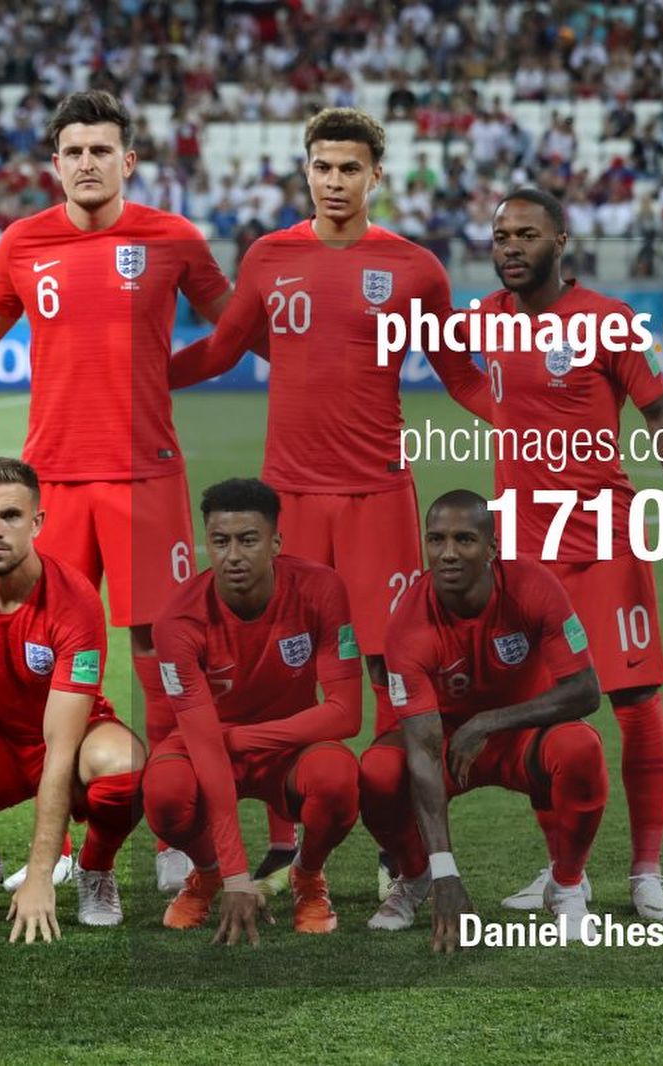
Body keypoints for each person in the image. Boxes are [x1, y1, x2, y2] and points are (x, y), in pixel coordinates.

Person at [0, 90, 235, 894]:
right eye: (72, 151)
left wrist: (163, 374)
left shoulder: (173, 237)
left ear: (129, 160)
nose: (87, 162)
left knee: (160, 657)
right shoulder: (25, 240)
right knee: (54, 661)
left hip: (148, 478)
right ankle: (77, 845)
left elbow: (233, 330)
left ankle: (170, 836)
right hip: (52, 481)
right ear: (55, 164)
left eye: (100, 149)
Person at [166, 107, 493, 893]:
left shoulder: (415, 268)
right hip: (292, 498)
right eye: (323, 166)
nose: (335, 180)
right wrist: (147, 375)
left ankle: (396, 840)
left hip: (379, 494)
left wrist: (542, 414)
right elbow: (220, 347)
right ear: (305, 171)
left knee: (390, 665)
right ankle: (285, 835)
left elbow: (461, 374)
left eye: (351, 168)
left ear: (376, 175)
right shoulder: (270, 256)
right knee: (282, 664)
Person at [480, 186, 663, 921]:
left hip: (604, 543)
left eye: (527, 234)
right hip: (522, 556)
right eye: (501, 234)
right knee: (544, 718)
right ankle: (561, 871)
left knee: (636, 703)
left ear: (562, 242)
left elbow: (661, 414)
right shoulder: (484, 321)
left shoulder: (608, 322)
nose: (511, 246)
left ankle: (646, 873)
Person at [0, 458, 146, 941]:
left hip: (70, 741)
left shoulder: (74, 600)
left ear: (37, 522)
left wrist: (39, 876)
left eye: (11, 516)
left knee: (125, 765)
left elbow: (59, 747)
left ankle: (94, 868)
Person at [362, 492, 607, 952]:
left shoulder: (535, 586)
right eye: (436, 539)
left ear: (493, 548)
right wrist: (444, 872)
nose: (448, 552)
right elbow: (422, 747)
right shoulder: (407, 623)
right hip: (448, 745)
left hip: (523, 738)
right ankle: (414, 878)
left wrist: (489, 722)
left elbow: (585, 690)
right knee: (378, 771)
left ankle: (568, 886)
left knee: (582, 748)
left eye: (464, 539)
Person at [143, 479, 364, 944]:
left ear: (276, 542)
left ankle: (308, 876)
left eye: (248, 540)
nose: (233, 556)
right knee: (163, 791)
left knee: (338, 779)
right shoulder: (177, 622)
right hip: (209, 746)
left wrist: (240, 738)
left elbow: (346, 714)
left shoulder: (322, 589)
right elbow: (205, 749)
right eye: (220, 542)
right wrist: (236, 876)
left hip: (287, 751)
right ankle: (207, 874)